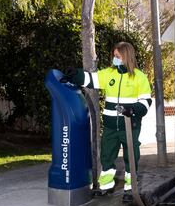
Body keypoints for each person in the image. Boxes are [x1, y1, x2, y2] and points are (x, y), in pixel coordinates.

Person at [65, 41, 152, 194]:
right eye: (114, 56)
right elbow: (90, 79)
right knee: (106, 156)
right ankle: (105, 186)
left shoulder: (140, 77)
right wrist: (75, 75)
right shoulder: (109, 73)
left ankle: (130, 187)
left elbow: (146, 102)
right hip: (111, 126)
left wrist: (132, 110)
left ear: (127, 56)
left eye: (118, 56)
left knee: (131, 157)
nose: (115, 59)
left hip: (130, 125)